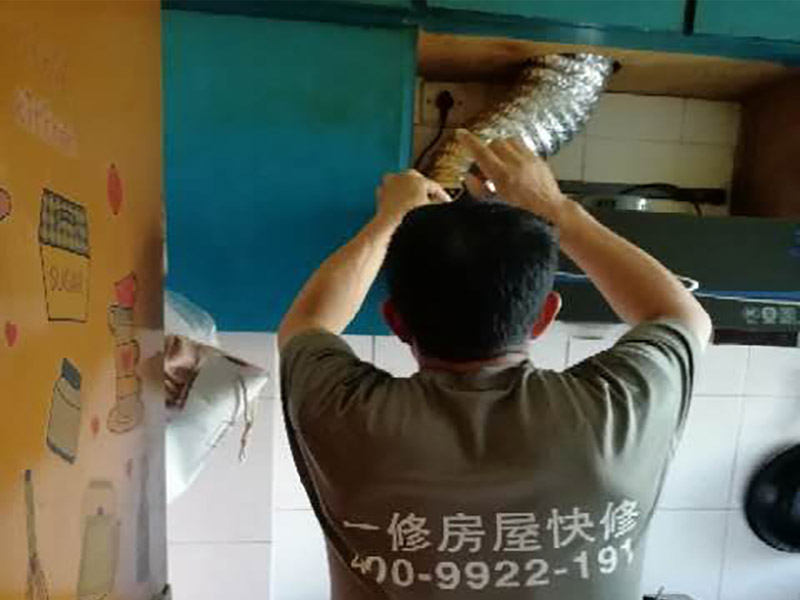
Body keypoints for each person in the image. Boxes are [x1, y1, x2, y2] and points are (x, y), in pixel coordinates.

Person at [278, 129, 712, 600]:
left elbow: (308, 322)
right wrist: (556, 208)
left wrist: (389, 220)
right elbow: (683, 316)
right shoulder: (619, 412)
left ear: (395, 322)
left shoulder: (345, 415)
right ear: (544, 316)